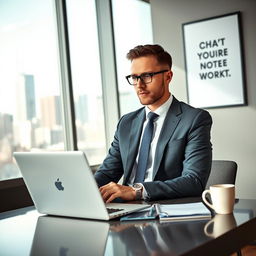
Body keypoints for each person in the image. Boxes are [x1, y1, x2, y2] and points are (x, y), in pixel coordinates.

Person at [94, 44, 212, 202]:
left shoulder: (194, 119)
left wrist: (137, 191)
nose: (139, 85)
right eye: (135, 77)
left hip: (164, 211)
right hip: (125, 209)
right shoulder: (126, 123)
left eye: (147, 76)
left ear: (168, 76)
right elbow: (107, 173)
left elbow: (194, 181)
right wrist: (81, 190)